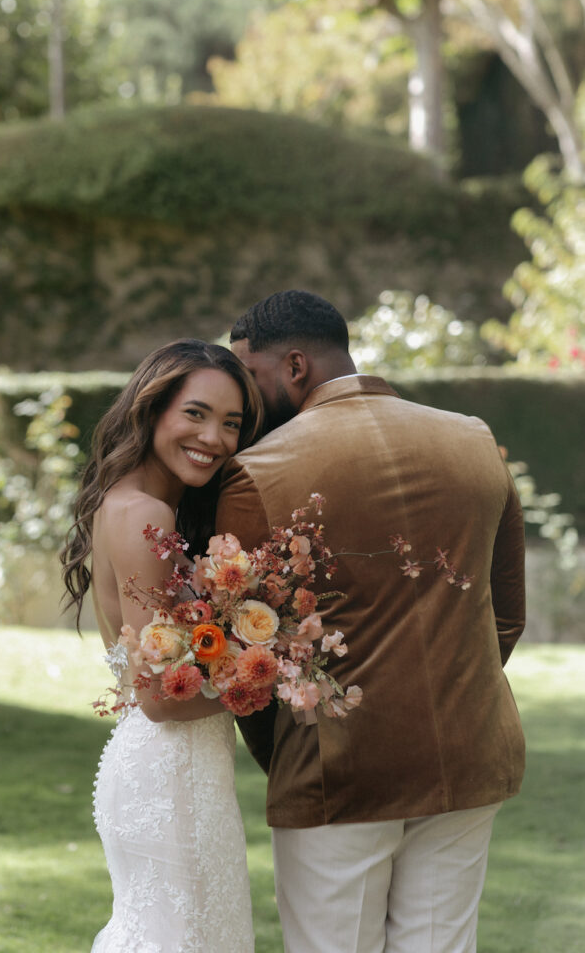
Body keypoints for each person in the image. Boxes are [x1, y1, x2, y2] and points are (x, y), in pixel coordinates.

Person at [216, 290, 526, 953]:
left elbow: (247, 661)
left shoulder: (257, 472)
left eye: (250, 374)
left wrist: (290, 755)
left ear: (294, 366)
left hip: (336, 767)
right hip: (468, 752)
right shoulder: (472, 440)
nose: (242, 398)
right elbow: (505, 616)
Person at [61, 339, 263, 953]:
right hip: (171, 774)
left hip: (172, 768)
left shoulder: (124, 503)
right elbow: (159, 697)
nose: (215, 437)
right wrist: (269, 679)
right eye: (196, 413)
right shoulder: (146, 515)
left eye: (232, 423)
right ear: (152, 410)